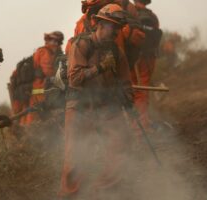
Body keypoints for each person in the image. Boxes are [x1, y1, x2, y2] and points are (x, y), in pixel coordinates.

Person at [59, 4, 133, 199]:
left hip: (105, 107)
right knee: (75, 158)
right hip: (79, 107)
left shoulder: (117, 52)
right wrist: (100, 68)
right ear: (98, 23)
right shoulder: (81, 45)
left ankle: (103, 192)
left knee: (121, 144)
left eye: (118, 28)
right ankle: (70, 196)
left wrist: (127, 96)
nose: (115, 32)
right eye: (111, 26)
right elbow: (75, 79)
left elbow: (126, 81)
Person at [132, 0, 161, 131]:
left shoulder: (130, 12)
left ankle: (138, 126)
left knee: (132, 89)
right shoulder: (152, 16)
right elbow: (156, 37)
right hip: (149, 58)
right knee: (143, 90)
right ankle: (142, 125)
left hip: (132, 58)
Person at [25, 31, 64, 124]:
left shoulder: (50, 52)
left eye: (57, 42)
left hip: (42, 86)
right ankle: (30, 131)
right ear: (48, 40)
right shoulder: (45, 52)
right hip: (40, 87)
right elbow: (48, 71)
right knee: (37, 111)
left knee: (39, 112)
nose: (55, 43)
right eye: (53, 41)